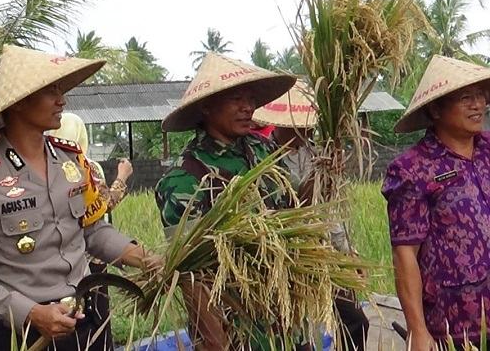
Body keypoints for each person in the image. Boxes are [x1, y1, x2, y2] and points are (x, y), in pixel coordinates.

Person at [0, 45, 160, 351]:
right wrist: (30, 314)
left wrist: (150, 261)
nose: (62, 99)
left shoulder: (71, 162)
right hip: (26, 332)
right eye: (51, 91)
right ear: (19, 102)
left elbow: (94, 231)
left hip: (89, 318)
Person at [155, 52, 296, 349]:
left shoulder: (264, 150)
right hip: (231, 326)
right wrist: (217, 343)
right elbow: (191, 278)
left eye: (251, 99)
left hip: (284, 314)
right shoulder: (184, 179)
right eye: (236, 99)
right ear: (206, 106)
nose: (248, 108)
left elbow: (292, 212)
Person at [382, 55, 490, 350]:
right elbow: (405, 254)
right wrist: (417, 329)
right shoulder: (412, 169)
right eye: (466, 97)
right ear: (436, 109)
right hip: (454, 325)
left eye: (481, 96)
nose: (477, 105)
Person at [253, 80, 370, 351]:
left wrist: (346, 252)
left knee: (355, 320)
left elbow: (328, 211)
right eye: (297, 123)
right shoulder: (264, 162)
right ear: (281, 123)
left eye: (308, 123)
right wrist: (314, 182)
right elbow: (283, 213)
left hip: (322, 253)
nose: (305, 129)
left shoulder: (317, 154)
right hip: (287, 258)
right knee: (298, 337)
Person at [48, 112, 134, 349]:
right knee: (96, 317)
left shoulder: (46, 165)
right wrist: (123, 177)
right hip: (93, 260)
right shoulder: (87, 167)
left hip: (58, 265)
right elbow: (107, 203)